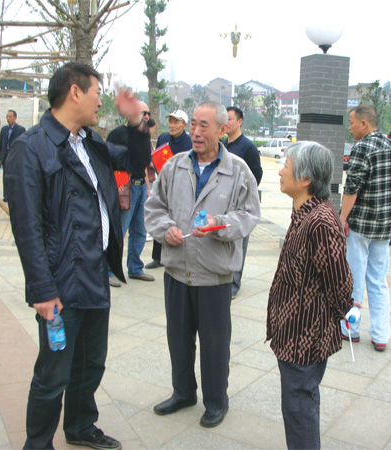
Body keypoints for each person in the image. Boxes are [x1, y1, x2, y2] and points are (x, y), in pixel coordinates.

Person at [5, 62, 149, 450]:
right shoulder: (30, 148)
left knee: (91, 363)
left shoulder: (89, 142)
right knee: (54, 373)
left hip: (94, 274)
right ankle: (38, 444)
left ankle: (81, 426)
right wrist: (42, 289)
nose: (101, 102)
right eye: (96, 93)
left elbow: (135, 164)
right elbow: (27, 229)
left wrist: (137, 122)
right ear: (74, 93)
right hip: (60, 283)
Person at [145, 101, 260, 428]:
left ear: (223, 129)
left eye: (203, 125)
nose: (195, 132)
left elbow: (250, 214)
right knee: (178, 339)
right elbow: (154, 207)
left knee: (214, 344)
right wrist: (166, 229)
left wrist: (219, 223)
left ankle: (216, 401)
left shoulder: (238, 170)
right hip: (177, 269)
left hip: (214, 273)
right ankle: (183, 393)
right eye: (193, 124)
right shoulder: (174, 166)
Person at [267, 141, 353, 450]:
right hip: (292, 332)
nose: (280, 172)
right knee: (296, 406)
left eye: (286, 167)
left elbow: (341, 285)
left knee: (299, 407)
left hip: (304, 338)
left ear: (305, 179)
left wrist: (332, 317)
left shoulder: (320, 221)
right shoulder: (303, 213)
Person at [340, 105, 391, 352]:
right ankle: (381, 335)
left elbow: (352, 187)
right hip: (383, 226)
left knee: (354, 278)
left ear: (364, 123)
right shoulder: (390, 145)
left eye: (352, 123)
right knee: (378, 280)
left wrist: (342, 218)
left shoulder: (362, 147)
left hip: (361, 224)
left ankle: (350, 330)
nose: (350, 127)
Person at [106, 101, 154, 287]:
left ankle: (135, 268)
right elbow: (109, 161)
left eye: (148, 113)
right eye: (143, 113)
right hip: (125, 188)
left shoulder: (144, 135)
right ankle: (109, 270)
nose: (146, 116)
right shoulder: (118, 134)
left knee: (140, 230)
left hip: (140, 187)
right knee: (120, 230)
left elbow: (145, 162)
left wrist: (147, 189)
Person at [223, 106, 263, 298]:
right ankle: (224, 278)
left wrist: (244, 195)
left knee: (239, 243)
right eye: (224, 118)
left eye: (230, 119)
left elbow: (256, 176)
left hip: (241, 205)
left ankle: (234, 284)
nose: (226, 122)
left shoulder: (248, 148)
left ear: (240, 122)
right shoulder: (222, 145)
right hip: (223, 202)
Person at [145, 110, 192, 270]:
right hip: (164, 184)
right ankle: (157, 257)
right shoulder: (163, 138)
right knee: (162, 217)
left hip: (183, 187)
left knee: (179, 220)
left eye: (176, 122)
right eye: (170, 121)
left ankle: (181, 255)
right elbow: (156, 157)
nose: (171, 125)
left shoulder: (190, 142)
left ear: (184, 125)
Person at [0, 110, 26, 201]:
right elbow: (1, 144)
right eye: (7, 116)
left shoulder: (20, 130)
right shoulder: (4, 129)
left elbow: (23, 145)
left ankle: (15, 195)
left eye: (10, 116)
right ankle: (6, 195)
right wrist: (1, 158)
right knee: (5, 176)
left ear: (15, 117)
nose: (8, 118)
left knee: (15, 176)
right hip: (5, 155)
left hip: (15, 155)